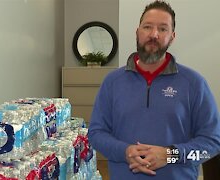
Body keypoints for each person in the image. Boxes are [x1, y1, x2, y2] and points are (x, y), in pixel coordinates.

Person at [87, 0, 220, 179]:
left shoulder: (194, 83)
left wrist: (170, 156)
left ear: (172, 37)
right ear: (137, 32)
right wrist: (124, 152)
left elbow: (212, 145)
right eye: (147, 27)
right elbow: (96, 134)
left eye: (163, 29)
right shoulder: (112, 82)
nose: (154, 34)